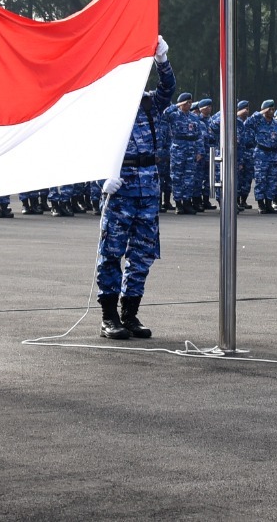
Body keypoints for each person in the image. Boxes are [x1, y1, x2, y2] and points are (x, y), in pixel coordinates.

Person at [96, 36, 175, 340]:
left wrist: (162, 61)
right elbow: (89, 146)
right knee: (112, 251)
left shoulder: (148, 103)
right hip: (121, 185)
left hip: (148, 185)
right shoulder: (109, 106)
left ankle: (130, 313)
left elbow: (168, 88)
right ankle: (108, 316)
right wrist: (102, 179)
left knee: (142, 253)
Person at [163, 93, 199, 214]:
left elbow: (198, 135)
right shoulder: (174, 116)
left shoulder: (194, 118)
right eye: (187, 103)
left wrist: (199, 151)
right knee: (177, 177)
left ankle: (187, 202)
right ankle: (178, 203)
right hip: (178, 149)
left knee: (189, 177)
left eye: (190, 102)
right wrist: (177, 105)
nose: (189, 105)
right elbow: (164, 114)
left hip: (191, 149)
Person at [247, 99, 277, 214]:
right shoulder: (258, 122)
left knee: (272, 180)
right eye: (270, 109)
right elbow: (247, 123)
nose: (272, 111)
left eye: (273, 109)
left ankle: (269, 204)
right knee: (261, 180)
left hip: (274, 155)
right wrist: (260, 112)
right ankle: (261, 204)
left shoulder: (276, 124)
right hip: (261, 155)